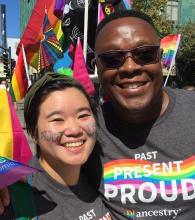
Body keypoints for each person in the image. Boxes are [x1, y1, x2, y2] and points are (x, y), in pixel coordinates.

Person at [1, 9, 195, 220]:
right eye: (113, 59)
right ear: (98, 67)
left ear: (160, 58)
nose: (130, 67)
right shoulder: (92, 128)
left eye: (144, 54)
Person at [1, 72, 112, 219]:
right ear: (33, 132)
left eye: (83, 115)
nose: (74, 129)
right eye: (57, 119)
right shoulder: (13, 196)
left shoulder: (100, 170)